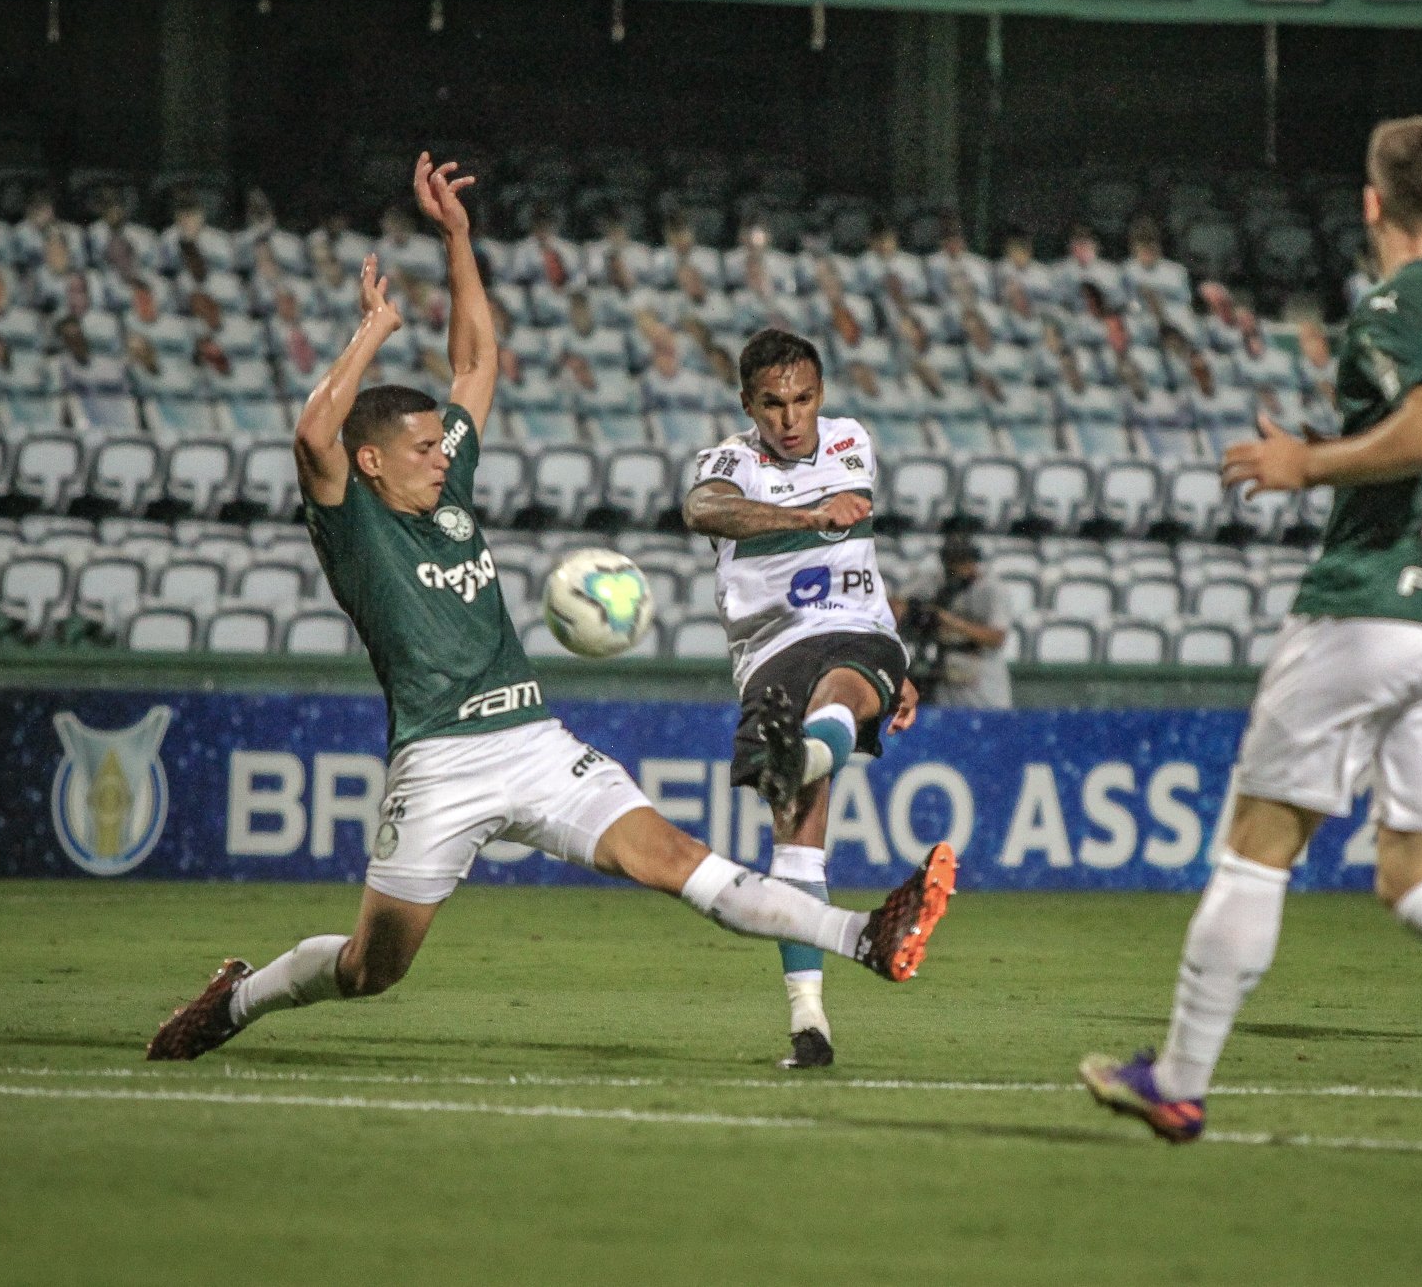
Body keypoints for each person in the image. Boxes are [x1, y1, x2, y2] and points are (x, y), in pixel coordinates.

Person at [146, 158, 954, 1063]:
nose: (442, 451)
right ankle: (238, 999)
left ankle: (865, 938)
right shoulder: (351, 519)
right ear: (371, 462)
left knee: (678, 860)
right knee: (374, 967)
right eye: (419, 445)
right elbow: (309, 434)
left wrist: (457, 238)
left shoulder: (449, 491)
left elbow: (478, 358)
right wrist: (373, 330)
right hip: (439, 758)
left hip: (533, 740)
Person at [1079, 116, 1422, 1161]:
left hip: (1369, 606)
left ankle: (1177, 1084)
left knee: (1259, 847)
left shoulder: (1392, 303)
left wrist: (1305, 466)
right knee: (1414, 873)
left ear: (1369, 204)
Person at [682, 328, 922, 1070]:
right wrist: (807, 516)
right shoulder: (727, 461)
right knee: (796, 836)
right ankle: (810, 1025)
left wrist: (894, 662)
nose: (791, 418)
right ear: (747, 404)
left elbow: (860, 558)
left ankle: (809, 746)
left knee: (845, 686)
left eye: (804, 399)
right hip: (771, 651)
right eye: (773, 404)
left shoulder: (852, 440)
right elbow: (705, 510)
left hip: (853, 632)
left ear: (823, 394)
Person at [898, 535, 1012, 709]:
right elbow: (896, 604)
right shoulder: (937, 580)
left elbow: (996, 638)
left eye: (963, 561)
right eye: (952, 561)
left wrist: (949, 621)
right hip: (946, 673)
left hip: (981, 675)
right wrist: (915, 611)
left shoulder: (991, 588)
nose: (958, 567)